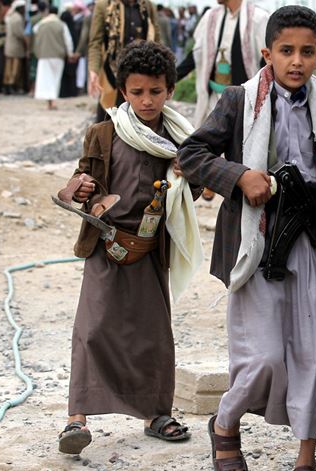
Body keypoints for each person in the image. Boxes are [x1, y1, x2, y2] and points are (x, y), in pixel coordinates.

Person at [178, 6, 316, 470]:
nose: (296, 61)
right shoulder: (240, 99)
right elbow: (191, 153)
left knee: (313, 352)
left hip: (311, 242)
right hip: (259, 246)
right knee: (265, 358)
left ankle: (305, 456)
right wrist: (238, 176)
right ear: (266, 52)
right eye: (286, 51)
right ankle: (225, 423)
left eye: (307, 52)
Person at [58, 39, 200, 455]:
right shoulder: (102, 133)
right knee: (94, 327)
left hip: (150, 249)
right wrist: (79, 188)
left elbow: (198, 191)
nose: (146, 100)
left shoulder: (179, 138)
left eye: (155, 91)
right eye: (137, 92)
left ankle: (156, 412)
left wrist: (185, 170)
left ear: (170, 90)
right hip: (106, 246)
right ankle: (76, 418)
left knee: (153, 334)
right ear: (122, 92)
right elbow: (78, 183)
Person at [175, 0, 268, 128]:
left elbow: (268, 62)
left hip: (244, 103)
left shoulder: (258, 18)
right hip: (213, 99)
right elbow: (197, 54)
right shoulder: (211, 17)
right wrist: (171, 78)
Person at [87, 0, 160, 122]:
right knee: (107, 119)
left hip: (142, 74)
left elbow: (156, 41)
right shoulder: (104, 5)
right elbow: (95, 42)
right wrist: (93, 70)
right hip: (112, 73)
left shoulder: (148, 6)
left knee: (140, 120)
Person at [33, 6, 73, 109]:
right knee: (55, 78)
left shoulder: (41, 24)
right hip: (58, 55)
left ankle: (49, 102)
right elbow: (67, 40)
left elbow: (34, 30)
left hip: (44, 54)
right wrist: (70, 53)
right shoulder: (61, 24)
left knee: (46, 79)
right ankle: (53, 101)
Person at [2, 0, 26, 94]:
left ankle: (7, 85)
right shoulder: (17, 18)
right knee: (14, 68)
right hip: (15, 46)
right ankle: (11, 85)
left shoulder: (11, 17)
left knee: (8, 67)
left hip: (9, 46)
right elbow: (19, 33)